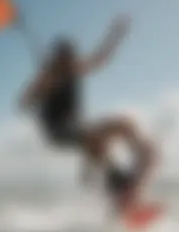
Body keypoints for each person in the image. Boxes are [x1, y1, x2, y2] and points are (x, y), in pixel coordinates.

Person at [19, 15, 158, 213]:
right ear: (56, 58)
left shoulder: (75, 68)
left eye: (70, 57)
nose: (68, 63)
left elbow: (100, 59)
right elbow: (22, 104)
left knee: (123, 124)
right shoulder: (47, 75)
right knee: (95, 140)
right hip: (57, 131)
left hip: (78, 128)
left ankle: (136, 170)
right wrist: (41, 89)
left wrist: (115, 34)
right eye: (63, 58)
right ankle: (118, 185)